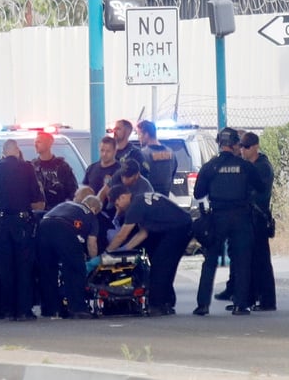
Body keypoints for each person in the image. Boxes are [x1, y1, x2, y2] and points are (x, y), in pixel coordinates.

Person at [192, 127, 265, 316]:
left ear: (219, 143)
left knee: (210, 261)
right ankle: (241, 304)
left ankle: (202, 305)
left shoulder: (210, 166)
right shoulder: (245, 166)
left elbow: (198, 193)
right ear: (235, 144)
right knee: (242, 261)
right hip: (241, 216)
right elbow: (261, 187)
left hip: (217, 217)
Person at [106, 186, 192, 317]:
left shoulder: (135, 207)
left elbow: (121, 235)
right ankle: (167, 302)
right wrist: (124, 250)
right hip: (181, 225)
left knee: (160, 266)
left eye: (117, 204)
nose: (118, 209)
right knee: (164, 264)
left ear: (123, 196)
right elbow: (143, 234)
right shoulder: (140, 200)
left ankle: (157, 305)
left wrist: (107, 253)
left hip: (178, 229)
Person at [0, 139, 45, 321]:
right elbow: (36, 196)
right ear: (17, 151)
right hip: (22, 223)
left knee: (6, 268)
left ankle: (8, 309)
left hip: (2, 225)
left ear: (3, 152)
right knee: (24, 267)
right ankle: (24, 310)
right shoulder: (27, 169)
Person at [216, 132, 277, 311]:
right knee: (247, 260)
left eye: (246, 146)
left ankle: (267, 301)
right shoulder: (248, 165)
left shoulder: (262, 166)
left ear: (255, 146)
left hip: (258, 217)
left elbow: (258, 193)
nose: (242, 150)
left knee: (261, 260)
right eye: (241, 146)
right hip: (247, 217)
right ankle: (247, 298)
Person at [36, 195, 101, 320]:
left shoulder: (65, 204)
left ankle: (50, 309)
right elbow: (91, 242)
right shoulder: (91, 216)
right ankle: (78, 308)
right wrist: (93, 261)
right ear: (94, 208)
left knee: (48, 270)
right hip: (64, 228)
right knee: (75, 269)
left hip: (44, 225)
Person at [31, 132, 78, 210]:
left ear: (49, 144)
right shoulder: (33, 167)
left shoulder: (62, 166)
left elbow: (73, 191)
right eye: (35, 142)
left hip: (59, 211)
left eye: (39, 142)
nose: (35, 145)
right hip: (38, 213)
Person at [136, 120, 177, 197]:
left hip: (148, 199)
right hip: (165, 199)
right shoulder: (171, 153)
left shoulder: (142, 154)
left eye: (139, 134)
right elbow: (173, 174)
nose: (139, 138)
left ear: (146, 135)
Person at [82, 136, 120, 202]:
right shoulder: (91, 168)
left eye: (108, 151)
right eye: (102, 150)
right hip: (92, 209)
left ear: (115, 151)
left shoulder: (120, 170)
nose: (104, 154)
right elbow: (84, 190)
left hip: (111, 210)